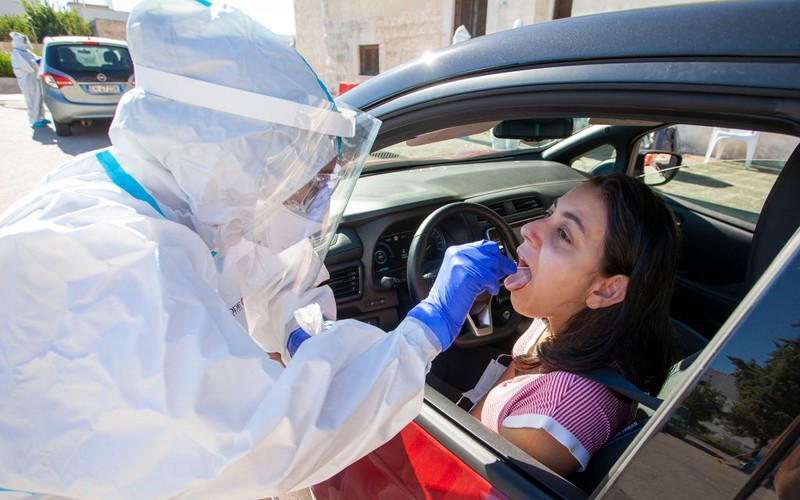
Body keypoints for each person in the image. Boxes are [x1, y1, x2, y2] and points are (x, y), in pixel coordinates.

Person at [0, 1, 515, 498]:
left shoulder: (201, 204)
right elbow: (267, 441)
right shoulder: (106, 261)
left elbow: (279, 278)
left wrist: (301, 332)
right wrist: (425, 329)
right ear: (237, 158)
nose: (315, 207)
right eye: (305, 185)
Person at [465, 173, 681, 477]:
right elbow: (514, 376)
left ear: (607, 290)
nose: (528, 230)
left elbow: (471, 480)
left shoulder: (551, 419)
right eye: (549, 214)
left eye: (564, 234)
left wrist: (429, 329)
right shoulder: (560, 322)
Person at [9, 31, 50, 128]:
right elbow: (28, 65)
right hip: (27, 80)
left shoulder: (26, 52)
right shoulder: (16, 53)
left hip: (34, 79)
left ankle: (41, 117)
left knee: (38, 98)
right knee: (31, 99)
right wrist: (37, 63)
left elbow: (36, 60)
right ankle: (34, 120)